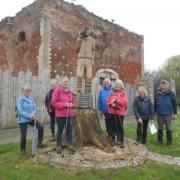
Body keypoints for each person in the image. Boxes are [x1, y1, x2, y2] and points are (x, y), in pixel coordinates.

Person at [17, 84, 47, 153]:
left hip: (31, 119)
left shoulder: (31, 98)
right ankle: (23, 150)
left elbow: (35, 107)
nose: (28, 92)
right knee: (24, 135)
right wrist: (30, 115)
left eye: (29, 91)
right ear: (23, 91)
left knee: (41, 127)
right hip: (22, 120)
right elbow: (20, 111)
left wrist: (33, 113)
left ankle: (40, 143)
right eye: (26, 91)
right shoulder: (20, 100)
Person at [51, 77, 76, 154]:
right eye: (64, 81)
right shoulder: (57, 90)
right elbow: (53, 103)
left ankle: (70, 145)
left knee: (69, 130)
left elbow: (74, 102)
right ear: (62, 83)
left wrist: (72, 105)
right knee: (60, 130)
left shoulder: (70, 92)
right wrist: (65, 104)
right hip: (60, 115)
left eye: (67, 81)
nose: (66, 83)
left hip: (69, 114)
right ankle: (58, 145)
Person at [155, 80, 177, 145]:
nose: (164, 85)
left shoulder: (171, 94)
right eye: (162, 84)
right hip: (159, 114)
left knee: (168, 128)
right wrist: (154, 114)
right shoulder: (158, 94)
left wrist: (175, 113)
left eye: (165, 84)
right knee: (160, 128)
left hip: (168, 114)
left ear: (168, 86)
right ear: (160, 86)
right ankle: (159, 141)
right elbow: (155, 104)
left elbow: (174, 104)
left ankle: (169, 142)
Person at [107, 79, 128, 148]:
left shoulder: (124, 93)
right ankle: (113, 140)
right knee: (112, 126)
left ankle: (121, 140)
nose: (117, 86)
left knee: (120, 126)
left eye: (118, 85)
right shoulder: (112, 93)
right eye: (116, 85)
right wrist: (111, 104)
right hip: (112, 112)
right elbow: (108, 101)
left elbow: (124, 102)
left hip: (120, 113)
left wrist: (116, 101)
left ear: (121, 86)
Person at [76, 27, 95, 93]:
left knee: (89, 76)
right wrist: (79, 39)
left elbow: (93, 51)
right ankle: (79, 88)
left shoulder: (92, 40)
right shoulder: (79, 39)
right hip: (81, 58)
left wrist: (92, 60)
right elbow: (77, 49)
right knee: (79, 75)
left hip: (89, 59)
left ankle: (88, 89)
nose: (87, 32)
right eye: (86, 30)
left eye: (88, 30)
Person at [98, 78, 114, 145]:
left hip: (112, 110)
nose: (106, 83)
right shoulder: (101, 91)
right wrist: (100, 109)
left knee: (112, 124)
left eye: (107, 82)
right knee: (107, 124)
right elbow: (99, 101)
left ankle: (113, 138)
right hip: (105, 110)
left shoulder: (113, 90)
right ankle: (109, 137)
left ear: (110, 83)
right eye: (105, 82)